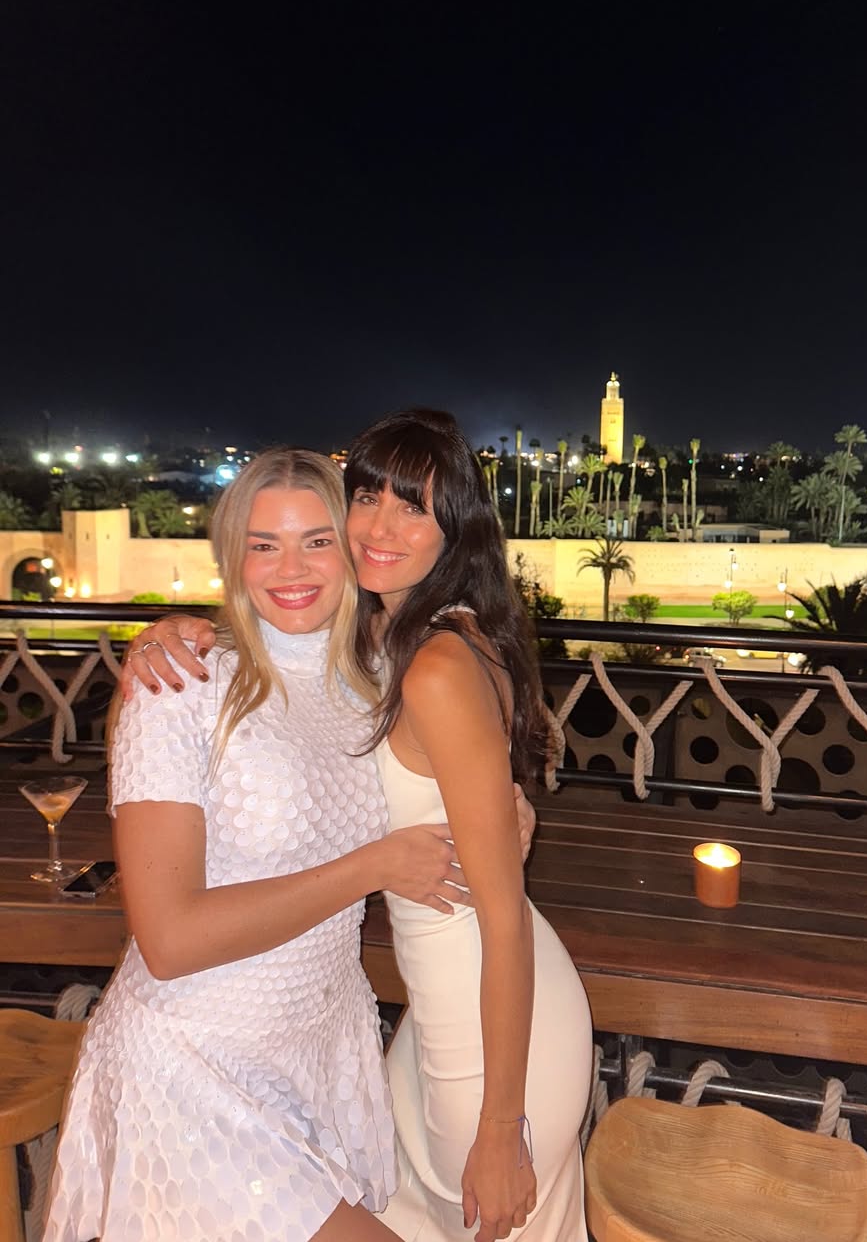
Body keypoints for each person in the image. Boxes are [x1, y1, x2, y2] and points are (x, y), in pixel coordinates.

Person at [125, 409, 594, 1242]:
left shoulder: (436, 664)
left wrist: (501, 1127)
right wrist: (176, 631)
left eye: (414, 506)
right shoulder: (387, 641)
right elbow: (294, 647)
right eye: (368, 497)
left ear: (456, 529)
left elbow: (502, 917)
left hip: (490, 1019)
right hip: (435, 1010)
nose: (380, 525)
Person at [43, 449, 480, 1242]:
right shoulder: (181, 686)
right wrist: (373, 866)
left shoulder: (376, 678)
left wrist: (506, 808)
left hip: (317, 1056)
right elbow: (169, 939)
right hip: (195, 1070)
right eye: (263, 544)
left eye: (316, 540)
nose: (292, 568)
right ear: (231, 557)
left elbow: (448, 774)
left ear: (351, 549)